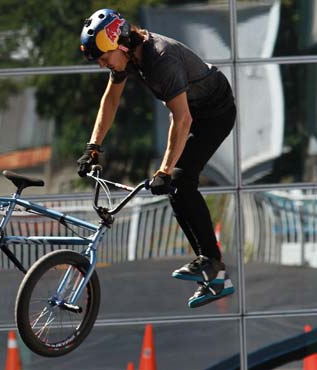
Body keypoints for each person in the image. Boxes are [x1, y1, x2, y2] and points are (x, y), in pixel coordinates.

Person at [76, 8, 236, 308]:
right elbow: (110, 100)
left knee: (178, 179)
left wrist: (164, 169)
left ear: (120, 44)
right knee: (177, 186)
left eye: (103, 58)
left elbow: (182, 119)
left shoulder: (160, 58)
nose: (102, 64)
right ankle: (215, 274)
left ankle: (211, 262)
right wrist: (93, 146)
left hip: (215, 113)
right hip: (196, 112)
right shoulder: (128, 55)